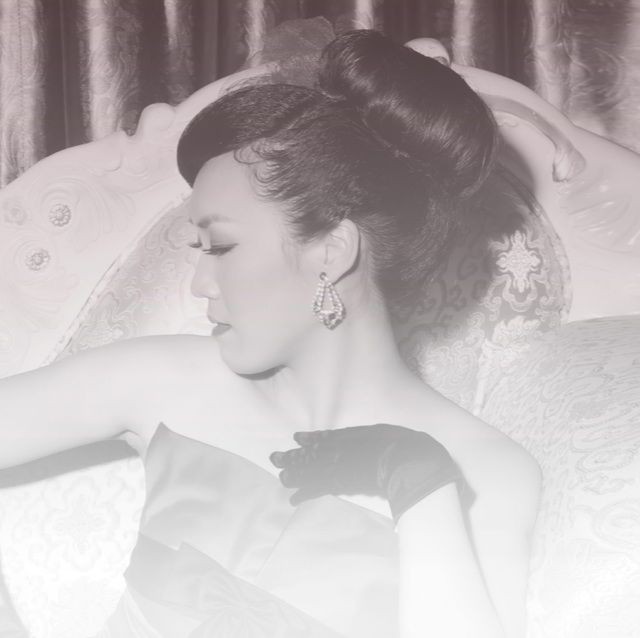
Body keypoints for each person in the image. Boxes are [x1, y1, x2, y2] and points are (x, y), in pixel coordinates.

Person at [0, 27, 541, 638]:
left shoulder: (489, 471)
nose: (200, 284)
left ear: (332, 251)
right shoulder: (160, 380)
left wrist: (422, 487)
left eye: (220, 247)